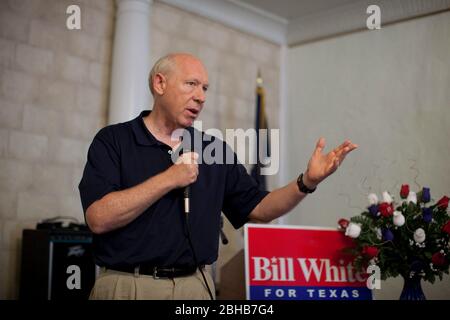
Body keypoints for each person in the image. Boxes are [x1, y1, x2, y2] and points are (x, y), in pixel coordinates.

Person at [79, 53, 357, 300]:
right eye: (191, 84)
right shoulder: (114, 140)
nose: (201, 96)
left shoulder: (214, 150)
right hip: (129, 287)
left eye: (205, 88)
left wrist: (307, 181)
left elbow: (260, 208)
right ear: (160, 84)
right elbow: (99, 218)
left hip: (195, 287)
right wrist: (170, 178)